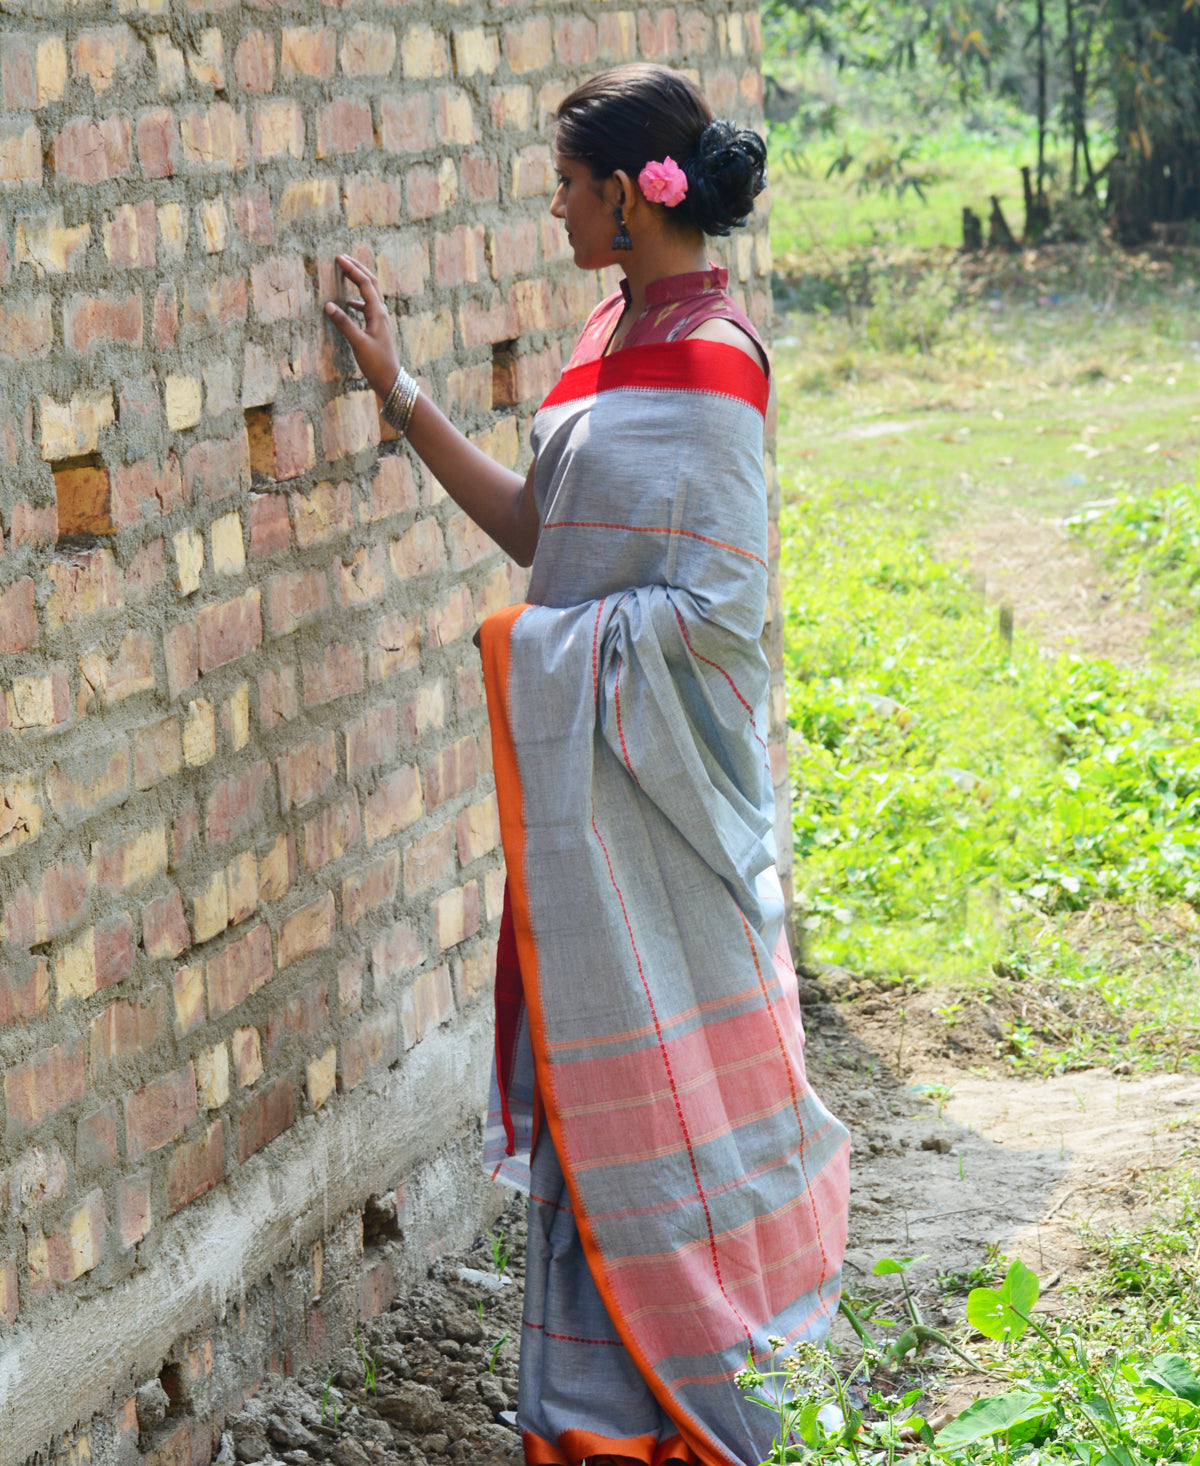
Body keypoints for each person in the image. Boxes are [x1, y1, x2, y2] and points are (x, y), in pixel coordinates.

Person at [325, 62, 849, 1466]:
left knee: (681, 1111)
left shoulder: (716, 360)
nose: (552, 207)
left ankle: (705, 1404)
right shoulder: (602, 338)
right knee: (587, 1102)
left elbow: (720, 619)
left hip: (664, 818)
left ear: (626, 196)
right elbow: (543, 538)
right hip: (594, 812)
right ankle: (592, 1422)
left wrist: (543, 655)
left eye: (565, 185)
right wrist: (401, 390)